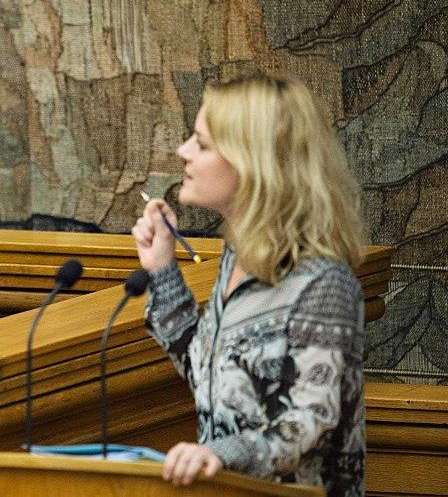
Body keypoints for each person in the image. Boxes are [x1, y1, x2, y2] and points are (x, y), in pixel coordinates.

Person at [131, 74, 365, 496]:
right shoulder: (235, 262)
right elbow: (208, 374)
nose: (183, 152)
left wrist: (222, 454)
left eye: (201, 144)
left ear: (252, 163)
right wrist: (162, 268)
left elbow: (309, 422)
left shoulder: (324, 284)